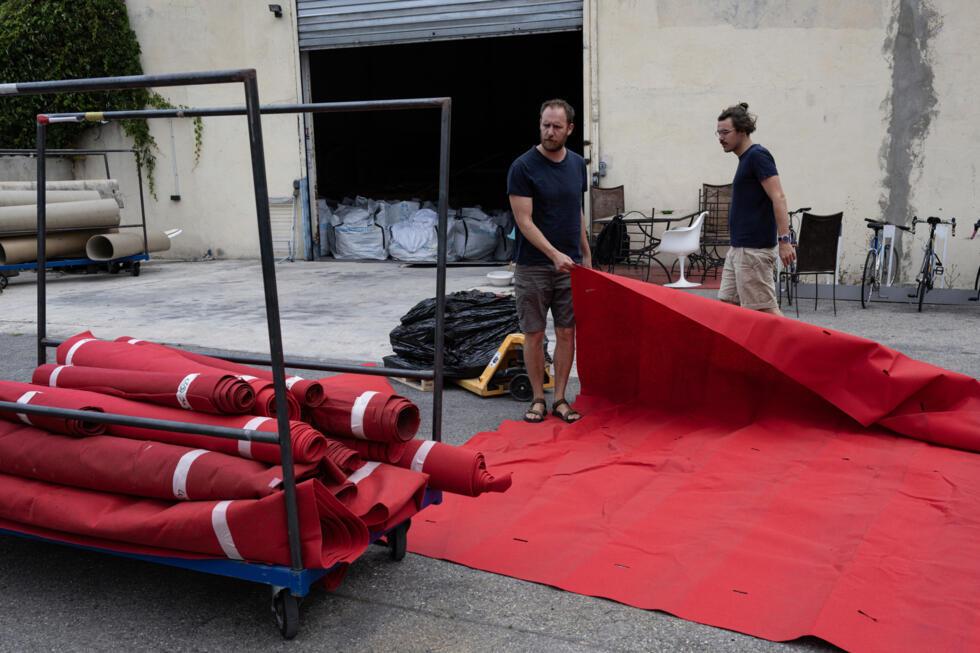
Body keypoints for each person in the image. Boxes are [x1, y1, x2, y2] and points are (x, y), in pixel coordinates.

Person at [507, 99, 592, 424]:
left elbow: (576, 211)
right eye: (545, 125)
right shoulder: (523, 167)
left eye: (557, 127)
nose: (550, 132)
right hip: (533, 266)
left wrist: (585, 252)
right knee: (535, 333)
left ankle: (559, 398)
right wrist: (554, 254)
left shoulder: (576, 165)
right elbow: (524, 221)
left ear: (569, 129)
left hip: (569, 266)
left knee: (567, 332)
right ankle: (537, 398)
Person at [716, 102, 795, 316]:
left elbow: (778, 197)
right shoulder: (745, 159)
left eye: (725, 132)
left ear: (741, 131)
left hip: (753, 251)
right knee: (727, 304)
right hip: (739, 248)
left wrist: (785, 241)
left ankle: (793, 347)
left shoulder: (757, 156)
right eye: (718, 133)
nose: (720, 138)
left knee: (765, 310)